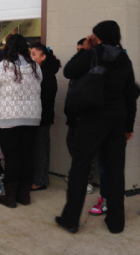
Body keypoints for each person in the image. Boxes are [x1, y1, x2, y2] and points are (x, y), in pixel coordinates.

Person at [56, 21, 137, 234]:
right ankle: (116, 222)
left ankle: (71, 219)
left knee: (80, 168)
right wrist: (129, 125)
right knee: (115, 170)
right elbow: (131, 95)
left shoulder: (93, 53)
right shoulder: (124, 57)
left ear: (98, 36)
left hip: (93, 118)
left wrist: (85, 48)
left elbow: (69, 71)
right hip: (117, 119)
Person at [0, 34, 42, 208]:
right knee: (27, 156)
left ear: (8, 48)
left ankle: (10, 197)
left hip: (8, 119)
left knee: (12, 158)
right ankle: (24, 196)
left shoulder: (2, 67)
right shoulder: (35, 67)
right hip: (32, 118)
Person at [64, 38, 96, 194]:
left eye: (82, 50)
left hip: (87, 117)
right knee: (71, 144)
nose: (79, 53)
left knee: (86, 150)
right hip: (73, 116)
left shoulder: (94, 67)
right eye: (77, 50)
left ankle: (86, 181)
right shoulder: (77, 67)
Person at [30, 43, 60, 191]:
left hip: (42, 117)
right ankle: (38, 178)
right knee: (38, 148)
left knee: (40, 149)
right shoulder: (41, 72)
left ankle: (40, 181)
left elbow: (42, 97)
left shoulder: (45, 74)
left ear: (44, 57)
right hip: (40, 116)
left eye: (34, 54)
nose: (31, 57)